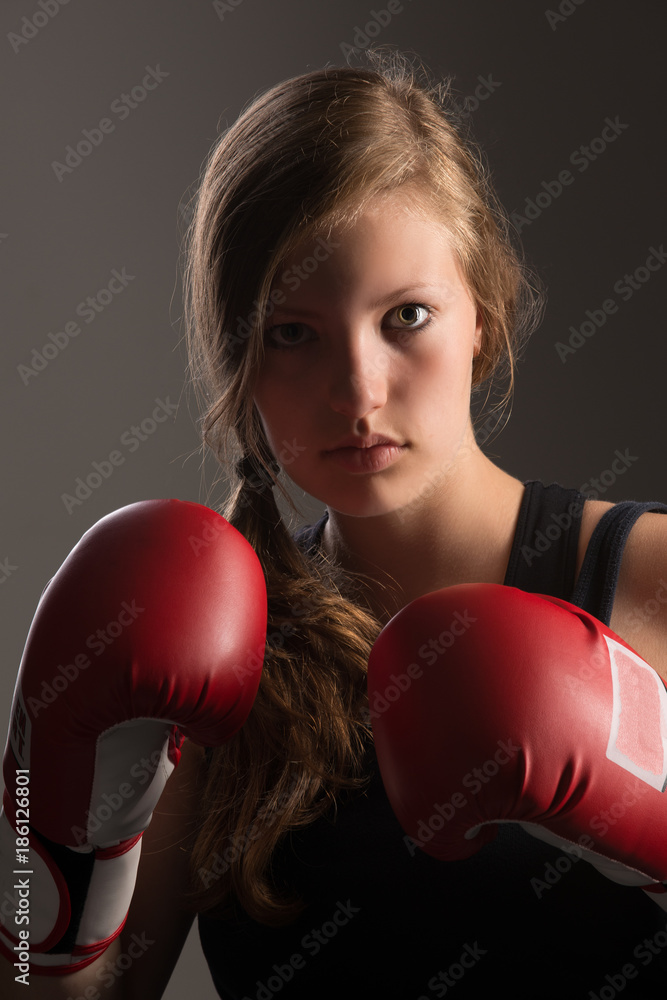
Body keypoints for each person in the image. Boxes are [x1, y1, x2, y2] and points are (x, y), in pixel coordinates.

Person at [2, 48, 667, 999]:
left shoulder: (649, 577)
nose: (356, 390)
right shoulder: (219, 658)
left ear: (481, 314)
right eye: (293, 333)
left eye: (405, 317)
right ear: (241, 358)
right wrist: (47, 827)